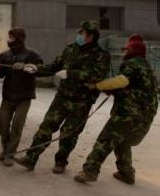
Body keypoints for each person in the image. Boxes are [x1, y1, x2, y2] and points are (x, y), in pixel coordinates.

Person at [14, 20, 111, 173]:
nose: (79, 35)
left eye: (82, 33)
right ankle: (30, 158)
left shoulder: (101, 55)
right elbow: (54, 66)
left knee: (69, 134)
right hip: (62, 97)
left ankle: (61, 161)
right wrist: (35, 68)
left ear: (91, 36)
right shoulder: (70, 49)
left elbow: (97, 75)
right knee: (46, 127)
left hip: (81, 101)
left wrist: (70, 74)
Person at [74, 34, 158, 185]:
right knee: (122, 141)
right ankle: (126, 174)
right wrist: (115, 91)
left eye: (126, 49)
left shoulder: (132, 63)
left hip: (128, 113)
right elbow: (133, 88)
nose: (124, 52)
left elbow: (121, 81)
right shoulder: (147, 69)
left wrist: (98, 86)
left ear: (132, 50)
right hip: (145, 117)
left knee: (105, 140)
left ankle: (90, 171)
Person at [0, 27, 43, 166]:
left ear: (20, 38)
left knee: (16, 125)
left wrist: (26, 65)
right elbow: (0, 74)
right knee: (3, 124)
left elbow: (39, 69)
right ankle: (5, 150)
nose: (9, 40)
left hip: (24, 96)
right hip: (8, 95)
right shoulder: (4, 55)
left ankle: (10, 153)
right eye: (9, 37)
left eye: (12, 37)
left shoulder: (32, 54)